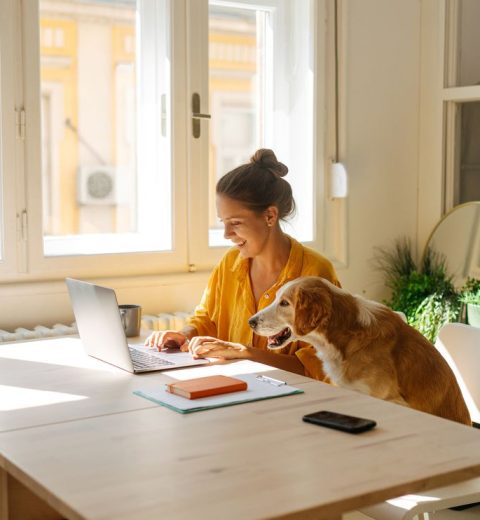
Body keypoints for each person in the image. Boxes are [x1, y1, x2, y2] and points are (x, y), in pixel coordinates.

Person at [145, 149, 341, 381]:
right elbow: (207, 318)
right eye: (223, 223)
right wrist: (182, 334)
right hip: (233, 388)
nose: (227, 234)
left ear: (270, 216)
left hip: (292, 399)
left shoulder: (315, 273)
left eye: (235, 223)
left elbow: (319, 367)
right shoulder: (230, 263)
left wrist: (246, 354)